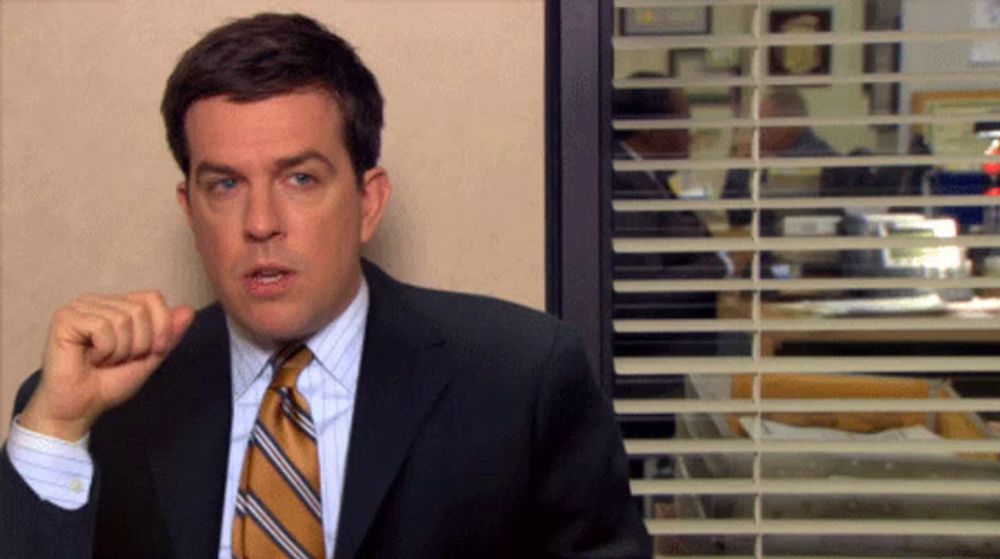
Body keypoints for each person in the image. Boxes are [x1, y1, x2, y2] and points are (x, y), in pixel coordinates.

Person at [0, 13, 650, 559]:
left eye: (300, 178)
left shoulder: (522, 377)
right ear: (190, 210)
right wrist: (55, 427)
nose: (260, 223)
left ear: (368, 202)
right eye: (224, 184)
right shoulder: (100, 403)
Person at [722, 87, 837, 234]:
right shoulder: (771, 158)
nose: (756, 135)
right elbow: (734, 211)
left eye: (762, 127)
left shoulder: (813, 161)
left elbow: (741, 213)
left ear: (788, 125)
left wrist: (741, 166)